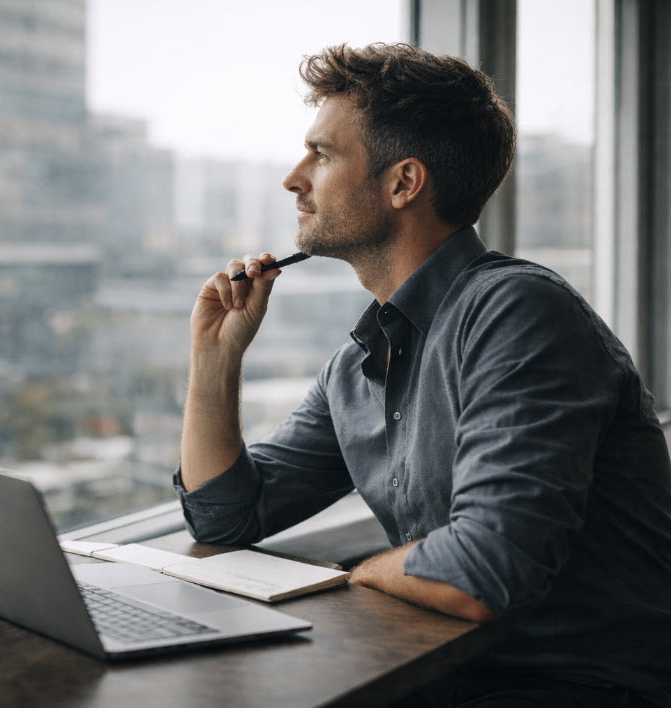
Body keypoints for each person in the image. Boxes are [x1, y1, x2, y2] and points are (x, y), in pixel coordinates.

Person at [174, 43, 671, 706]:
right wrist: (215, 358)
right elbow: (223, 515)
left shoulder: (517, 312)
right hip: (454, 674)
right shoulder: (360, 361)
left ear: (404, 183)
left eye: (321, 155)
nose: (294, 178)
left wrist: (360, 572)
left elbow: (483, 572)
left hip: (580, 687)